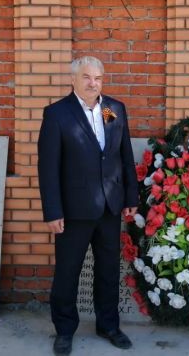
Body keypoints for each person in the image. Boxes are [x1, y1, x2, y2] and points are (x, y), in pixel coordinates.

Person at [38, 56, 138, 355]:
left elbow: (122, 154)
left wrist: (131, 198)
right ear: (73, 79)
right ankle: (65, 329)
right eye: (86, 77)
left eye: (97, 77)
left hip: (110, 206)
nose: (93, 83)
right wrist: (53, 210)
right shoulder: (58, 114)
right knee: (68, 272)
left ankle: (108, 325)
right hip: (73, 211)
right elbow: (48, 167)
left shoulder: (112, 109)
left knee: (108, 270)